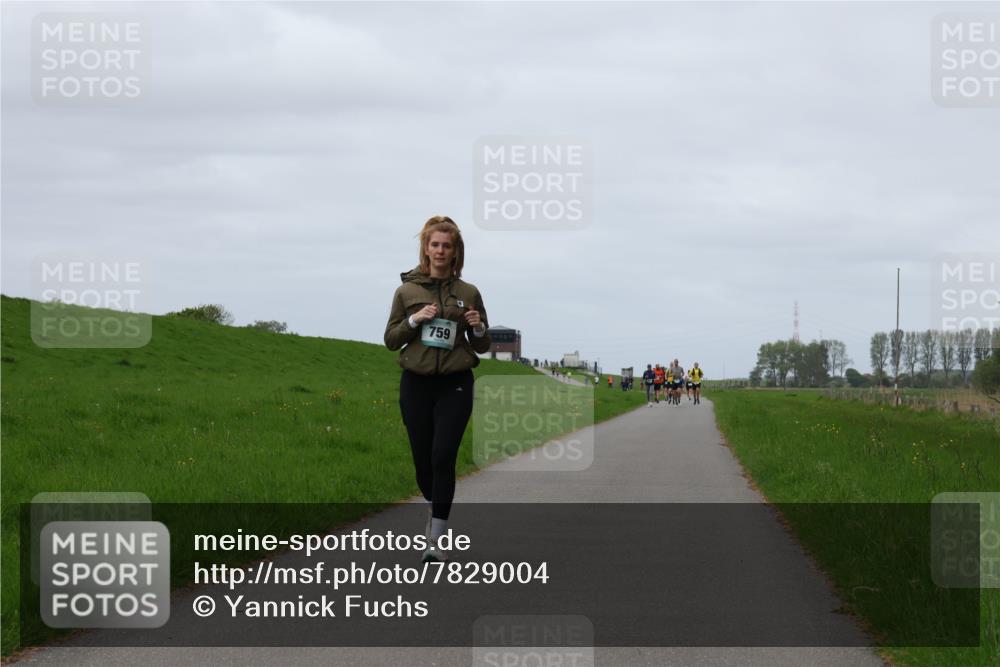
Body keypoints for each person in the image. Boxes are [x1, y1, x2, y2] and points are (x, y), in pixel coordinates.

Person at [384, 216, 491, 563]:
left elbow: (482, 345)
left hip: (455, 383)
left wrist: (476, 329)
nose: (440, 251)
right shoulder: (406, 292)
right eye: (435, 245)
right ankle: (435, 506)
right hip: (415, 382)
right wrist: (415, 320)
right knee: (423, 460)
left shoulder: (469, 293)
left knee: (443, 456)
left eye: (447, 245)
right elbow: (390, 340)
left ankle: (436, 539)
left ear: (455, 251)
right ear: (426, 249)